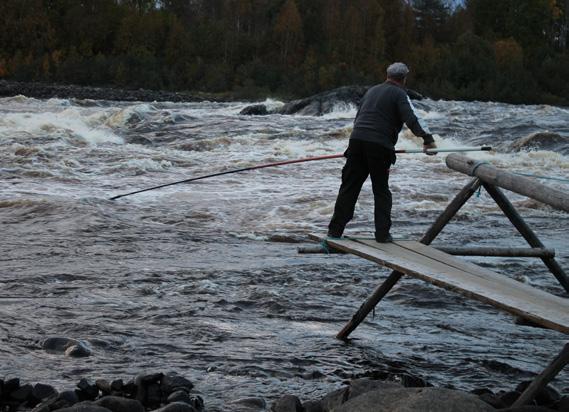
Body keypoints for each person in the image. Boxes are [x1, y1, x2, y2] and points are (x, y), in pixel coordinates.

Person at [327, 62, 437, 243]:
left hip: (356, 142)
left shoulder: (371, 91)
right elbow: (411, 118)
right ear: (404, 78)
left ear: (387, 75)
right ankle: (382, 235)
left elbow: (359, 118)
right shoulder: (400, 94)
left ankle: (334, 232)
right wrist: (428, 140)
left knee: (349, 188)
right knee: (381, 190)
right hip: (379, 146)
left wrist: (354, 146)